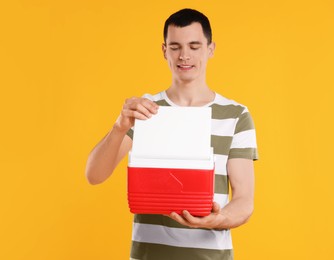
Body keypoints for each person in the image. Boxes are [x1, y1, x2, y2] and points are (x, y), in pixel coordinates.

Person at [85, 8, 258, 260]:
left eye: (194, 46)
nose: (184, 55)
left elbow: (244, 200)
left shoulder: (236, 115)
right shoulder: (145, 109)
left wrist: (218, 218)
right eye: (175, 46)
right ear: (164, 50)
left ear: (210, 49)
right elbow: (94, 175)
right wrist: (119, 126)